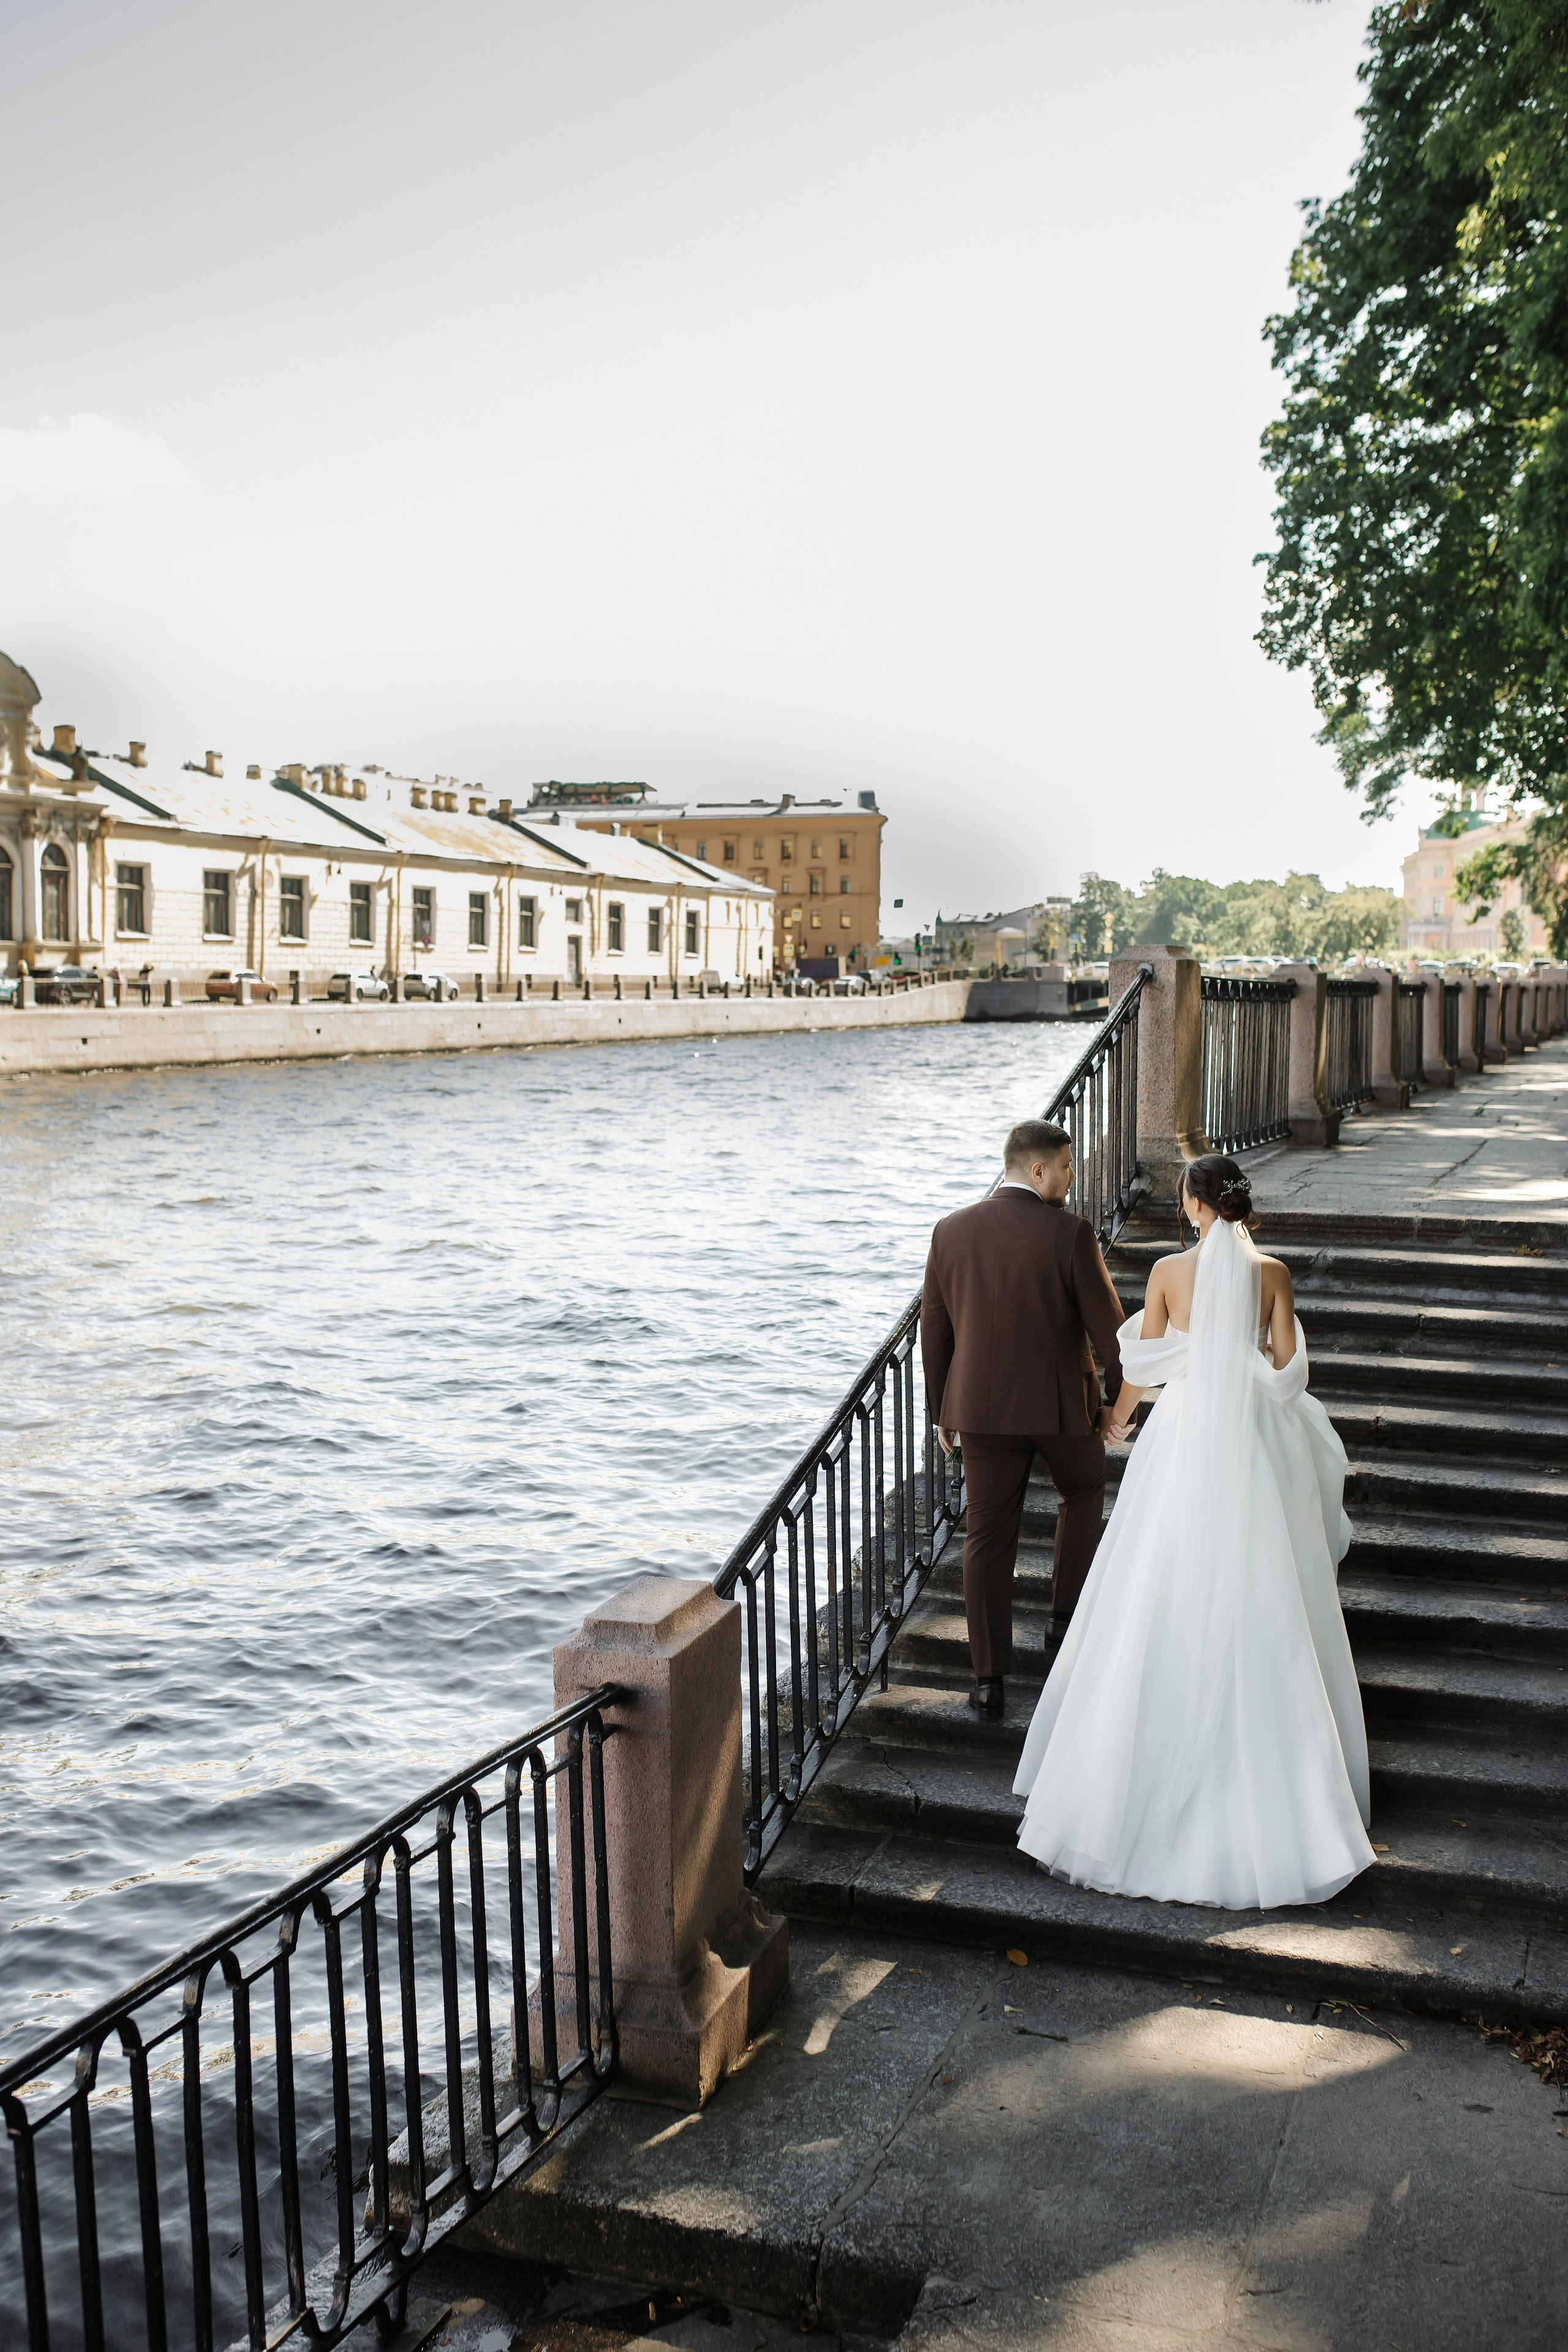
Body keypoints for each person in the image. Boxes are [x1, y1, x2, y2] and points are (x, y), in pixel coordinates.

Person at [1013, 1153, 1374, 1910]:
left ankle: (1127, 1790)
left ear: (1192, 1206)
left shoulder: (1168, 1274)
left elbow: (1141, 1362)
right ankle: (1292, 1798)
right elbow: (1283, 1367)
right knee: (1267, 1585)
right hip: (1249, 1433)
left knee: (1158, 1582)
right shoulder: (1271, 1273)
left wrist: (1117, 1418)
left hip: (1182, 1438)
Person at [921, 1118, 1126, 1720]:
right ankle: (1064, 1626)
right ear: (1036, 1170)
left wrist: (941, 1411)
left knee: (986, 1536)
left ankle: (988, 1683)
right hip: (1064, 1409)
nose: (1071, 1176)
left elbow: (935, 1329)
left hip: (981, 1413)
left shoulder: (949, 1231)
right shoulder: (1069, 1233)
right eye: (1066, 1165)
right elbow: (1109, 1332)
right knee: (1083, 1492)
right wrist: (1116, 1401)